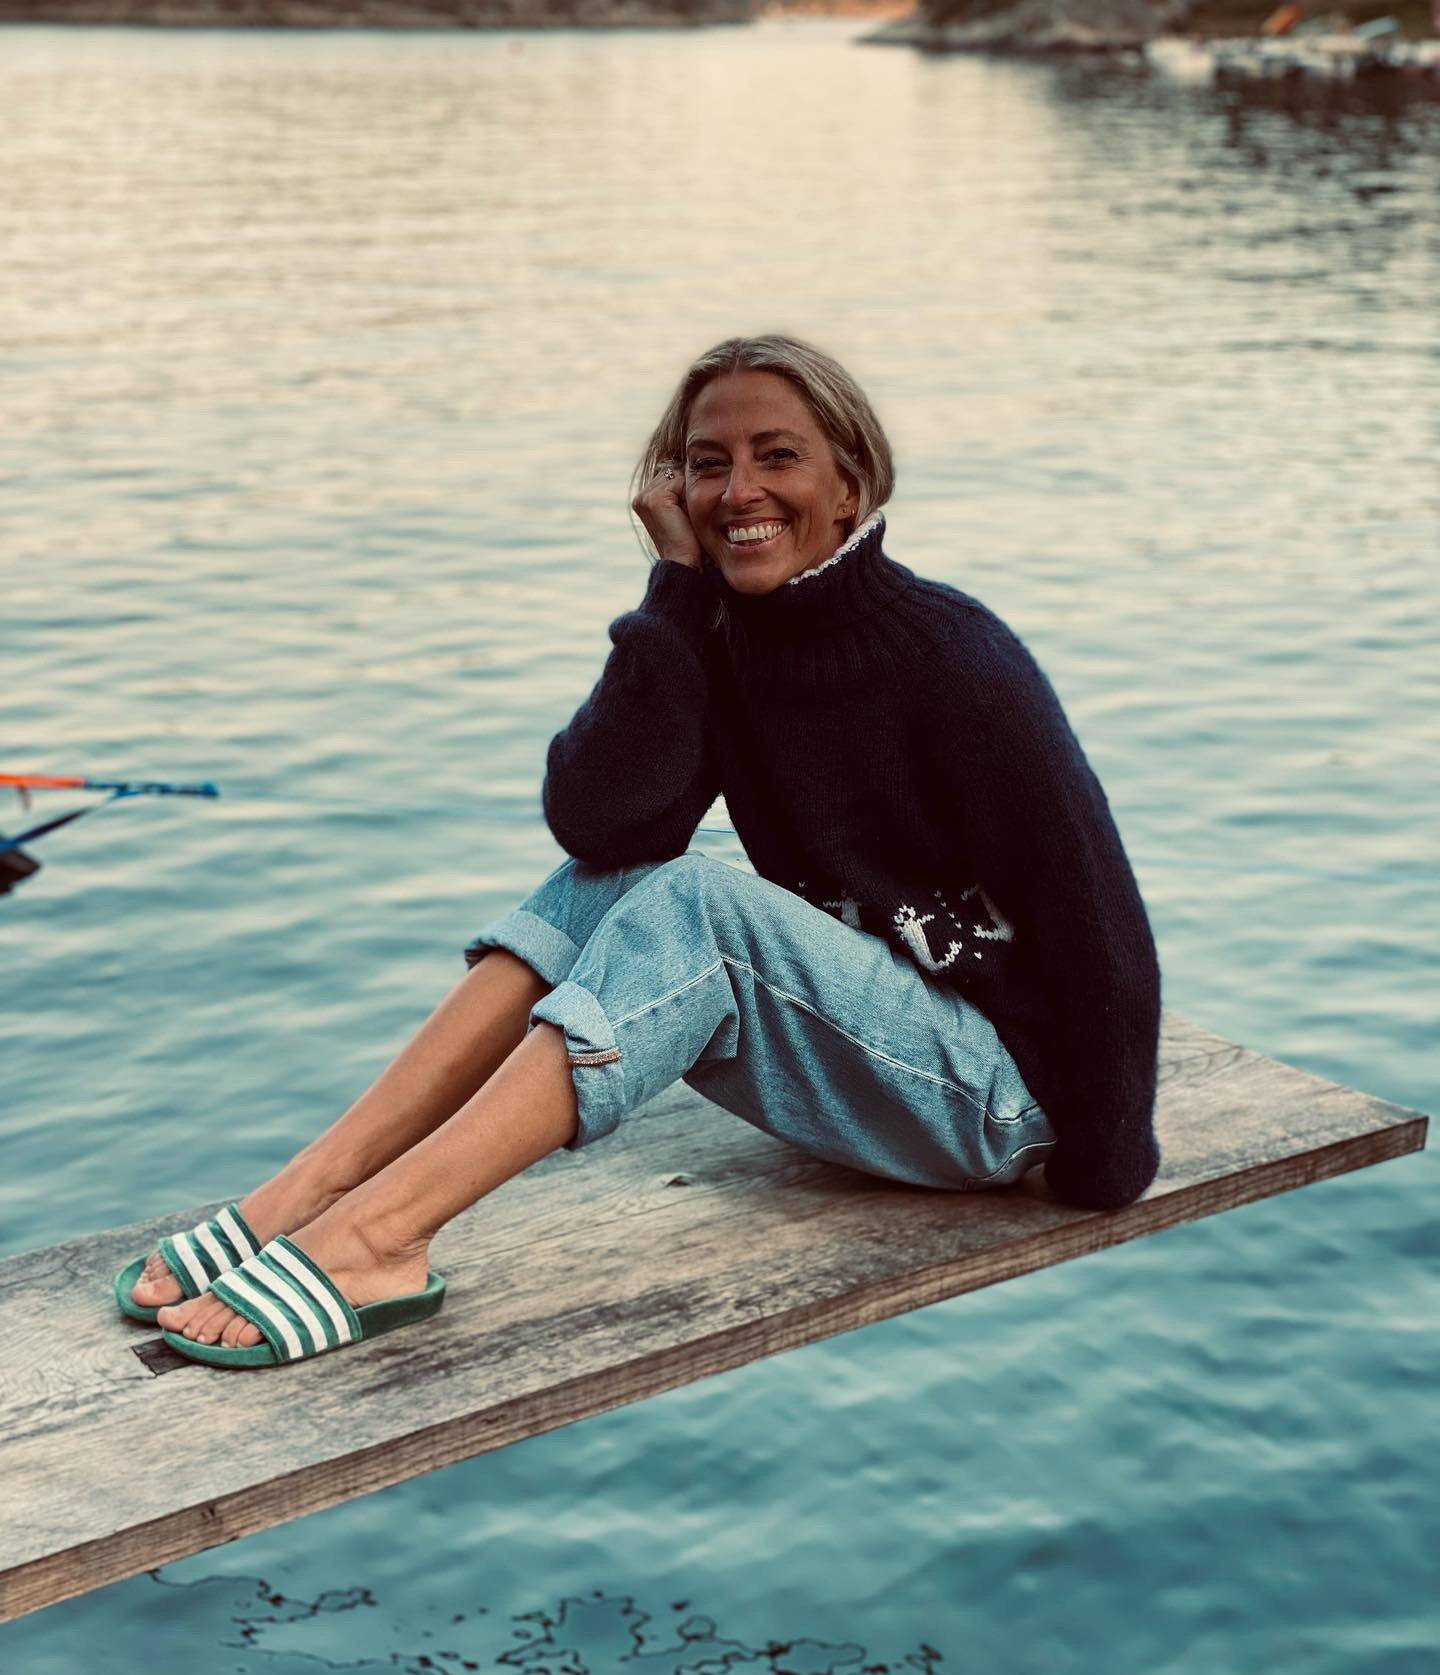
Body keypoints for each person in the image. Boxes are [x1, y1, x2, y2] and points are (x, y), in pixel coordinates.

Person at [128, 332, 1162, 1366]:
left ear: (850, 487)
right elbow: (601, 826)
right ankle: (318, 1188)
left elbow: (1097, 918)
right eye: (709, 463)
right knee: (619, 878)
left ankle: (378, 1240)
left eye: (778, 456)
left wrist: (1105, 1162)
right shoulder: (721, 641)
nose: (739, 490)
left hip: (995, 1101)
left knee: (700, 905)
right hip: (865, 1060)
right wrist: (674, 593)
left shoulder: (957, 658)